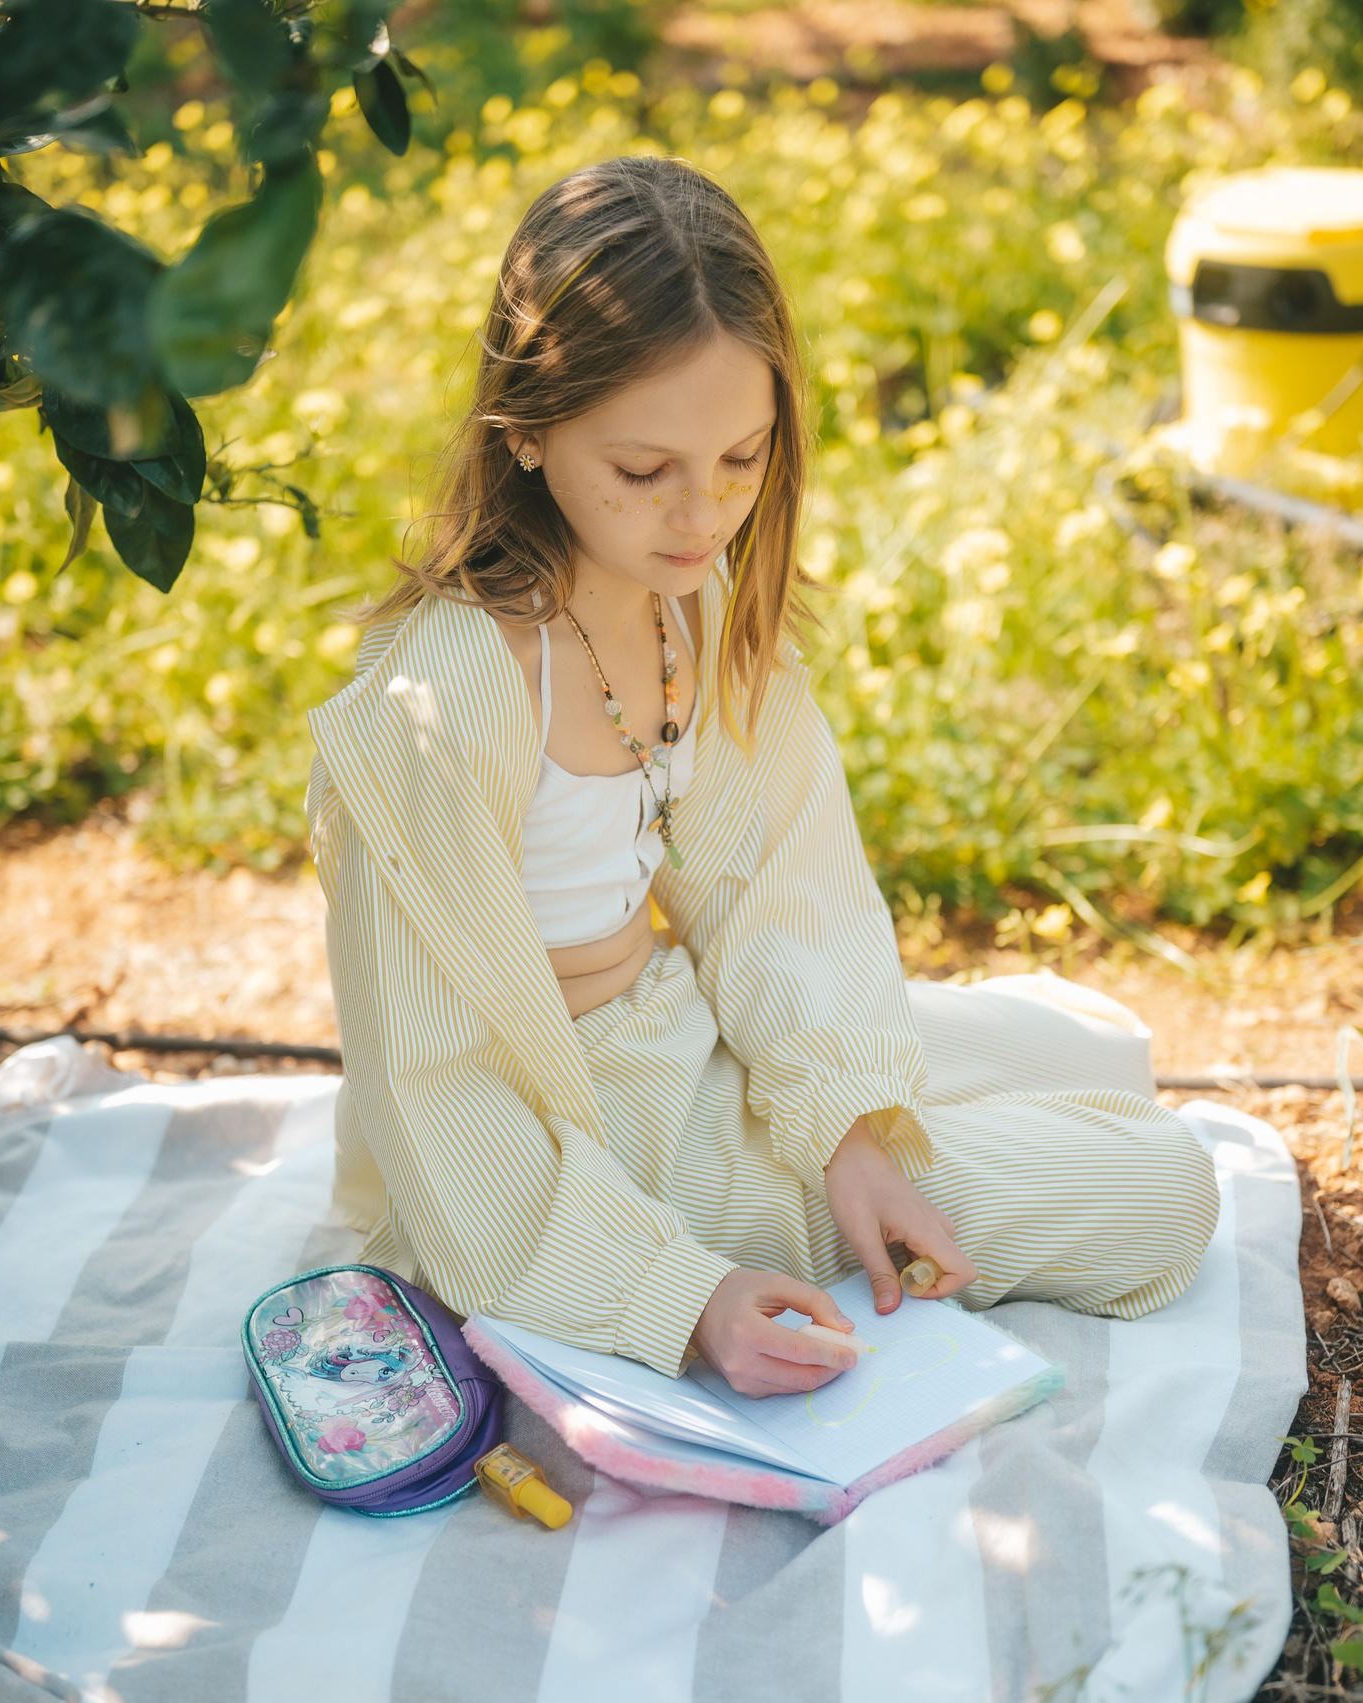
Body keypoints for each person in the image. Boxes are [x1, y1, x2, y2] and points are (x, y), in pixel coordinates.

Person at [307, 156, 1219, 1399]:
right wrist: (679, 1298)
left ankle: (858, 1138)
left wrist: (846, 1129)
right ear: (522, 426)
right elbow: (435, 1084)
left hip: (686, 1024)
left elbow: (767, 883)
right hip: (585, 1137)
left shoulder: (689, 598)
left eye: (742, 458)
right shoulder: (441, 702)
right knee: (1164, 1188)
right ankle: (769, 1199)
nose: (702, 513)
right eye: (645, 471)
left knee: (1092, 1044)